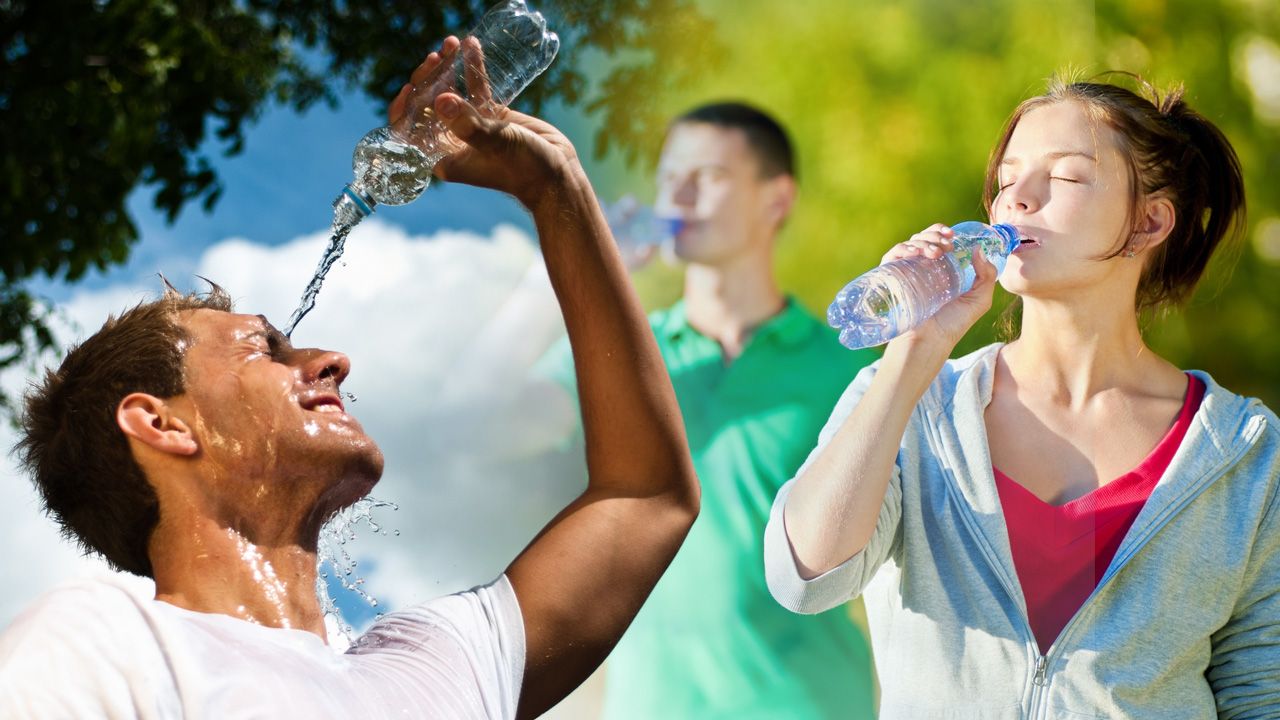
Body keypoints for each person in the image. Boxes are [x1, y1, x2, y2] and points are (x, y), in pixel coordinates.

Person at [0, 36, 698, 720]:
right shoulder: (109, 646)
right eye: (263, 349)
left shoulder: (441, 659)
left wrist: (558, 189)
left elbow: (646, 496)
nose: (331, 360)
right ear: (162, 423)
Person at [765, 74, 1278, 718]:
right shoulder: (914, 402)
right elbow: (804, 578)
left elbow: (1262, 691)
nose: (1018, 200)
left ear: (1149, 222)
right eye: (1007, 180)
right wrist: (913, 354)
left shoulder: (1243, 454)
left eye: (1062, 178)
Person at [531, 102, 877, 718]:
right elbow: (496, 427)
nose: (678, 196)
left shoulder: (850, 374)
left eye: (708, 176)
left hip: (810, 704)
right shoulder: (612, 354)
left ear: (776, 201)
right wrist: (579, 257)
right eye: (669, 178)